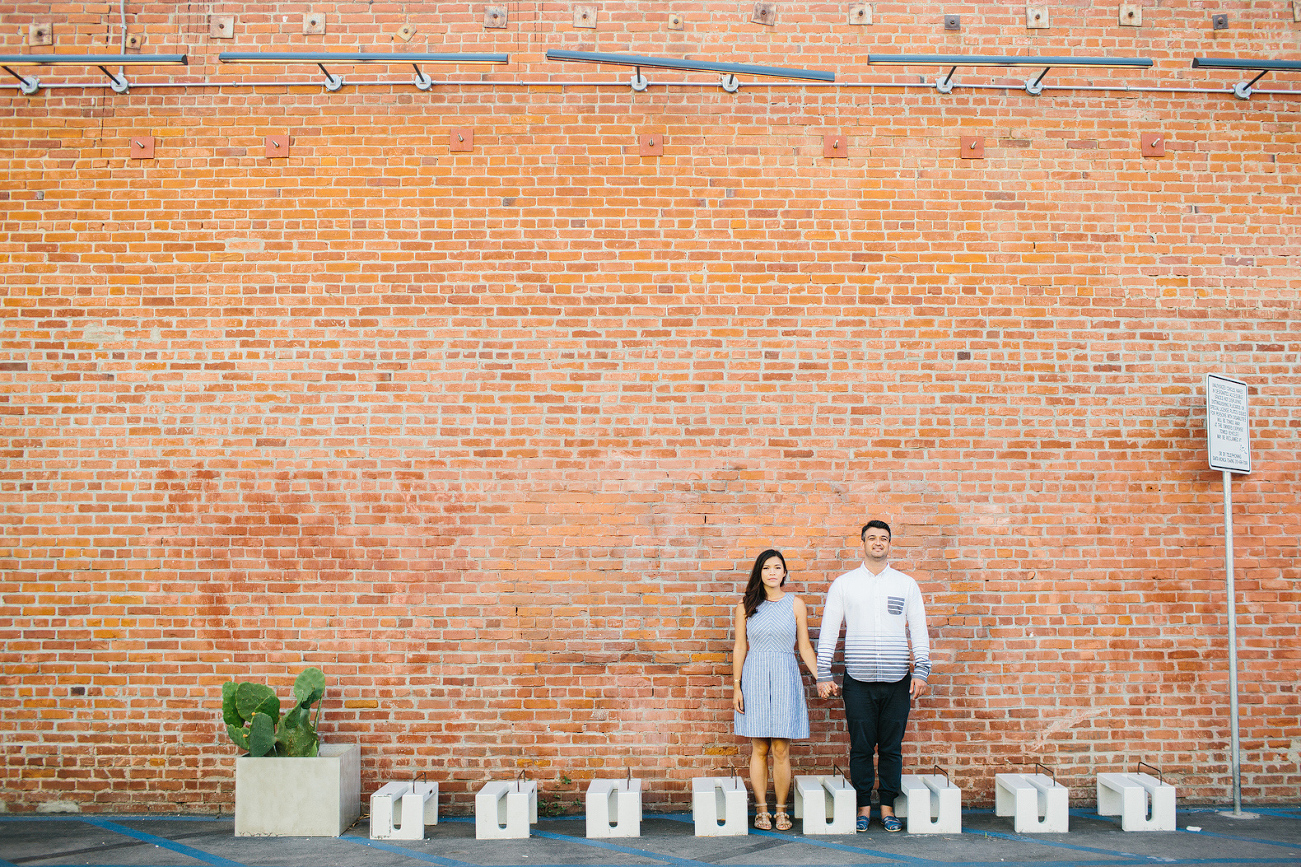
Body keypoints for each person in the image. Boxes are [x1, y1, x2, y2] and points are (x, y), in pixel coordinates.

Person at [816, 520, 931, 833]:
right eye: (872, 538)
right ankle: (863, 807)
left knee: (892, 748)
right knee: (862, 748)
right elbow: (829, 631)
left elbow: (919, 630)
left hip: (897, 682)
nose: (878, 542)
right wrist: (823, 672)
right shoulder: (844, 584)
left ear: (889, 545)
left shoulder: (905, 584)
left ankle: (888, 807)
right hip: (858, 683)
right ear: (862, 544)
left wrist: (921, 670)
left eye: (883, 538)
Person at [732, 548, 819, 831]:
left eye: (777, 567)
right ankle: (761, 809)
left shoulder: (796, 604)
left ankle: (781, 810)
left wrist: (821, 676)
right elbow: (740, 647)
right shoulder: (746, 605)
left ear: (784, 572)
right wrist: (737, 686)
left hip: (785, 674)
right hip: (754, 675)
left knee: (781, 748)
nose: (772, 572)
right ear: (760, 572)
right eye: (767, 567)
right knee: (759, 746)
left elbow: (804, 646)